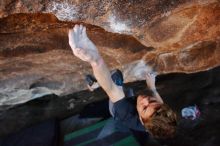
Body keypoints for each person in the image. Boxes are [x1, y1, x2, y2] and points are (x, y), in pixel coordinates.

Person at [68, 24, 177, 139]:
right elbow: (159, 104)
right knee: (128, 91)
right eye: (151, 101)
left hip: (116, 111)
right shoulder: (159, 114)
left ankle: (95, 85)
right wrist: (152, 88)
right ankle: (98, 84)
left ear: (141, 119)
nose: (145, 99)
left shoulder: (126, 113)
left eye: (145, 108)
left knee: (116, 77)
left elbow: (111, 88)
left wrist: (95, 60)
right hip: (132, 104)